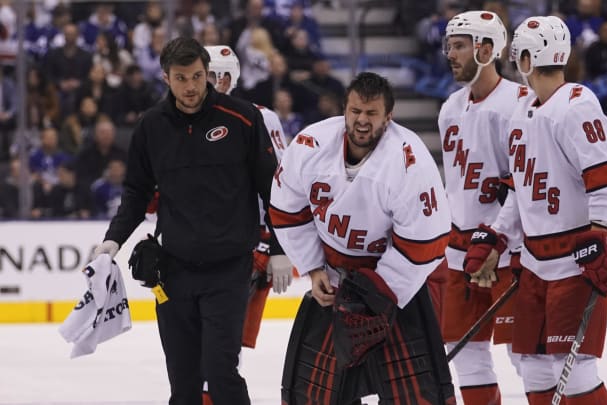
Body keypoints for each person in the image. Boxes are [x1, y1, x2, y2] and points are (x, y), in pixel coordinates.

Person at [90, 37, 283, 405]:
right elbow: (135, 193)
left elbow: (273, 189)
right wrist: (112, 241)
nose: (192, 86)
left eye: (198, 76)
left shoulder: (243, 118)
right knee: (183, 382)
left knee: (221, 371)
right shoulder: (151, 127)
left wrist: (278, 247)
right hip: (173, 273)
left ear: (207, 73)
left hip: (229, 271)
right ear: (166, 78)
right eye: (182, 78)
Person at [463, 16, 607, 404]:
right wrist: (498, 237)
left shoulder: (577, 106)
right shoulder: (522, 113)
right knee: (533, 365)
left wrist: (599, 234)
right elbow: (522, 191)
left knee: (574, 369)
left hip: (574, 260)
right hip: (534, 262)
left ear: (524, 59)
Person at [269, 72, 456, 404]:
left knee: (416, 398)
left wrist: (377, 293)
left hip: (393, 287)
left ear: (388, 117)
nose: (362, 121)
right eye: (355, 111)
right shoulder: (311, 145)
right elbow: (286, 212)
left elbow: (426, 243)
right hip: (335, 280)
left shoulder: (408, 159)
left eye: (371, 114)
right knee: (311, 396)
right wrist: (313, 270)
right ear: (344, 109)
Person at [437, 10, 527, 404]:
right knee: (465, 354)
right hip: (459, 252)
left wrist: (495, 241)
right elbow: (454, 185)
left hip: (508, 253)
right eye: (449, 46)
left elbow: (524, 184)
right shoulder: (449, 108)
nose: (450, 54)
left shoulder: (520, 104)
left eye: (459, 46)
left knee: (527, 356)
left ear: (486, 49)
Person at [200, 44, 292, 405]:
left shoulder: (260, 117)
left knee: (221, 351)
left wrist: (276, 244)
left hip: (247, 244)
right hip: (198, 246)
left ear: (228, 78)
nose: (205, 84)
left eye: (209, 76)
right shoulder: (180, 120)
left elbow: (280, 184)